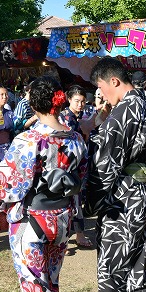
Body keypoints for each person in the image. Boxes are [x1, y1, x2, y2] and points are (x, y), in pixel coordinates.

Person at [0, 77, 87, 292]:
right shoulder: (77, 139)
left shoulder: (28, 140)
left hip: (32, 218)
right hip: (62, 218)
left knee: (34, 286)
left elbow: (9, 186)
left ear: (33, 105)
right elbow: (81, 177)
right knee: (52, 281)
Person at [85, 57, 146, 292]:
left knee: (113, 270)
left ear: (114, 80)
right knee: (140, 266)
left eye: (101, 86)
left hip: (123, 198)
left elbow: (105, 164)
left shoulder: (124, 112)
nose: (101, 93)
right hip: (145, 191)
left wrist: (88, 206)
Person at [58, 85, 93, 249]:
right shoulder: (65, 117)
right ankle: (70, 237)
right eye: (77, 101)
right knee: (70, 201)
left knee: (76, 200)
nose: (80, 104)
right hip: (68, 165)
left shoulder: (76, 116)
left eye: (83, 101)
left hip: (76, 165)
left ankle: (77, 234)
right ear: (69, 99)